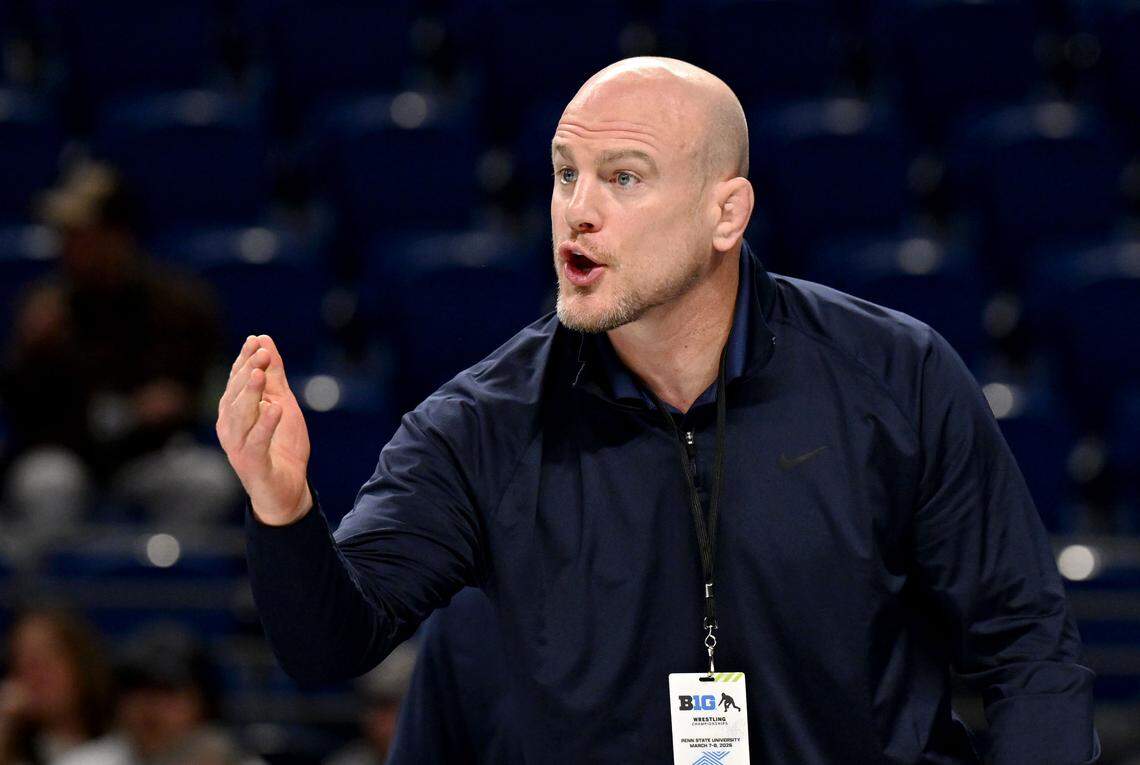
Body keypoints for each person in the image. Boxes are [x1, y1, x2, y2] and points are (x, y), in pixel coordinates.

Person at [220, 57, 1100, 763]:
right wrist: (282, 504)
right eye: (566, 174)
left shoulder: (893, 374)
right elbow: (330, 645)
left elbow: (1025, 647)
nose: (579, 212)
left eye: (624, 177)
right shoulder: (480, 423)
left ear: (727, 212)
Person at [0, 161, 238, 536]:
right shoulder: (46, 311)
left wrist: (181, 403)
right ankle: (49, 596)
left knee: (207, 481)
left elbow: (213, 396)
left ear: (119, 236)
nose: (67, 245)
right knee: (45, 483)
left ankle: (161, 589)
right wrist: (30, 352)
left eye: (81, 233)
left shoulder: (179, 307)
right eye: (66, 233)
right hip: (67, 456)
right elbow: (21, 413)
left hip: (148, 456)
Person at [0, 608, 117, 765]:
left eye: (48, 657)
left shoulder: (128, 744)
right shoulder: (12, 751)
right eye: (23, 660)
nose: (36, 675)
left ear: (81, 663)